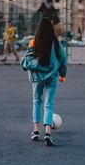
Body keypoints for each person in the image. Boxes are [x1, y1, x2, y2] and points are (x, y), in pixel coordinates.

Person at [20, 18, 67, 146]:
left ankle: (36, 131)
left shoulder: (33, 42)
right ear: (51, 29)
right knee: (49, 104)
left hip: (37, 78)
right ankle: (47, 133)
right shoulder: (55, 43)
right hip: (52, 76)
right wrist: (62, 74)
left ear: (38, 29)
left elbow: (27, 60)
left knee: (37, 101)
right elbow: (63, 58)